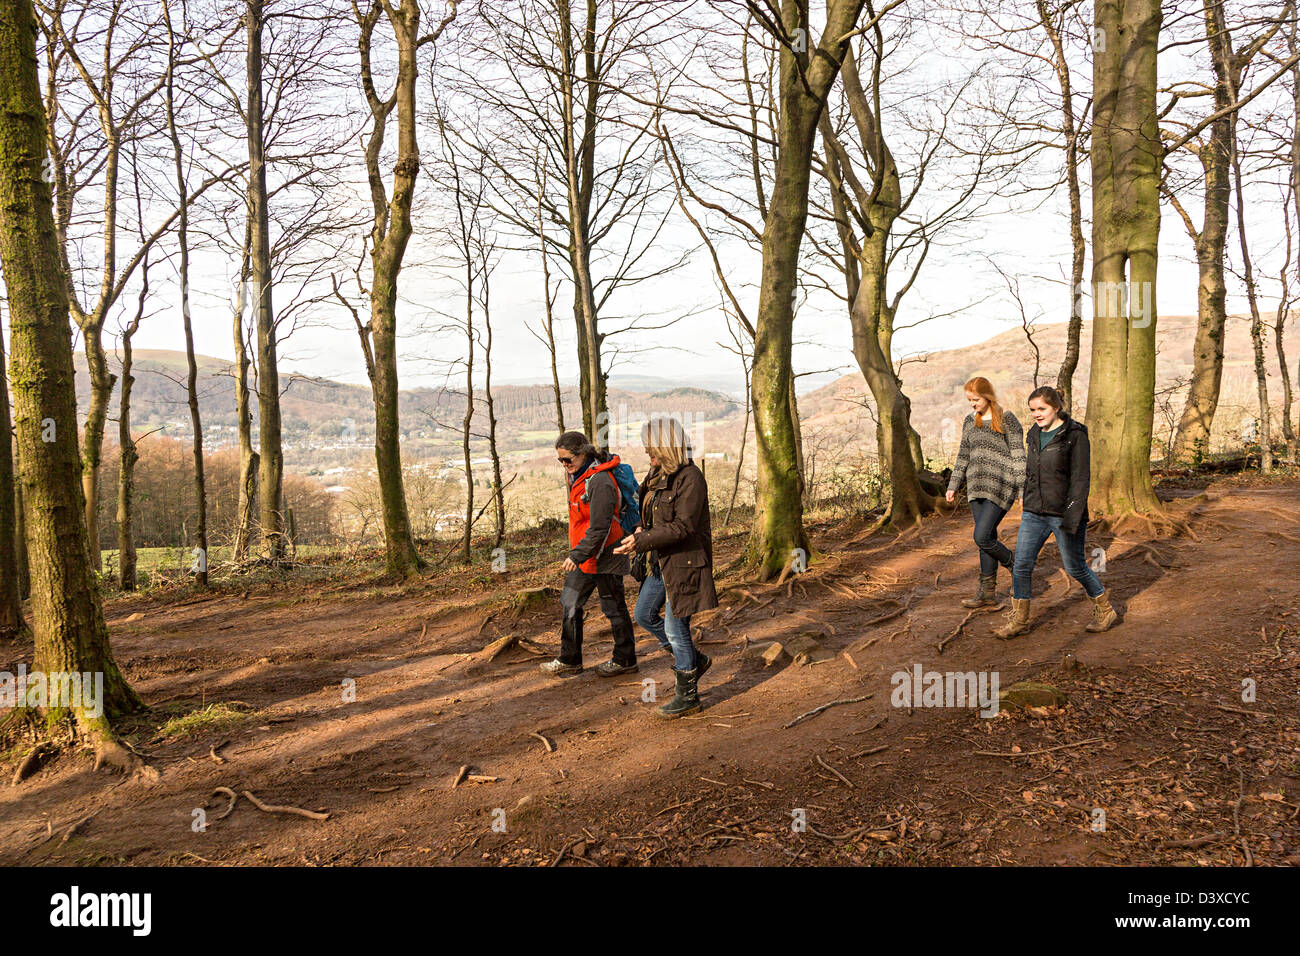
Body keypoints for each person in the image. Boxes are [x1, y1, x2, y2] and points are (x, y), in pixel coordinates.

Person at [613, 417, 717, 719]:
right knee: (644, 614)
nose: (648, 454)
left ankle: (688, 696)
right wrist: (637, 534)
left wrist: (642, 540)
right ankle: (695, 659)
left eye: (652, 450)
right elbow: (651, 516)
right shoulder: (657, 474)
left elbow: (683, 526)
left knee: (675, 627)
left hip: (684, 563)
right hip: (660, 562)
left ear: (666, 446)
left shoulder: (690, 478)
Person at [997, 385, 1120, 638]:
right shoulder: (1033, 433)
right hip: (1034, 512)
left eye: (1041, 409)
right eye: (1032, 410)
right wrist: (1026, 495)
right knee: (1021, 565)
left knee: (1074, 567)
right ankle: (1019, 620)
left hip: (1064, 514)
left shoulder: (1075, 435)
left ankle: (1104, 609)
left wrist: (1072, 517)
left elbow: (1080, 481)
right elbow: (1033, 471)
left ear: (1056, 407)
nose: (1036, 414)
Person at [539, 431, 638, 678]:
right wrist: (580, 554)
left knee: (613, 608)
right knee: (570, 603)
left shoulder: (600, 480)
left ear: (583, 453)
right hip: (585, 556)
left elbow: (601, 526)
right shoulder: (580, 476)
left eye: (568, 459)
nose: (564, 464)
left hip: (606, 554)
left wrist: (577, 555)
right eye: (560, 460)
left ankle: (625, 659)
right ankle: (570, 659)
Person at [945, 376, 1025, 608]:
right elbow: (963, 455)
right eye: (969, 400)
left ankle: (1014, 564)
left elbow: (1019, 455)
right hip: (975, 487)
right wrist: (953, 485)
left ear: (987, 396)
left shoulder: (1007, 419)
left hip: (1001, 487)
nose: (972, 404)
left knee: (981, 536)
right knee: (986, 539)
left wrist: (1022, 488)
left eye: (976, 399)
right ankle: (987, 593)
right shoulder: (970, 421)